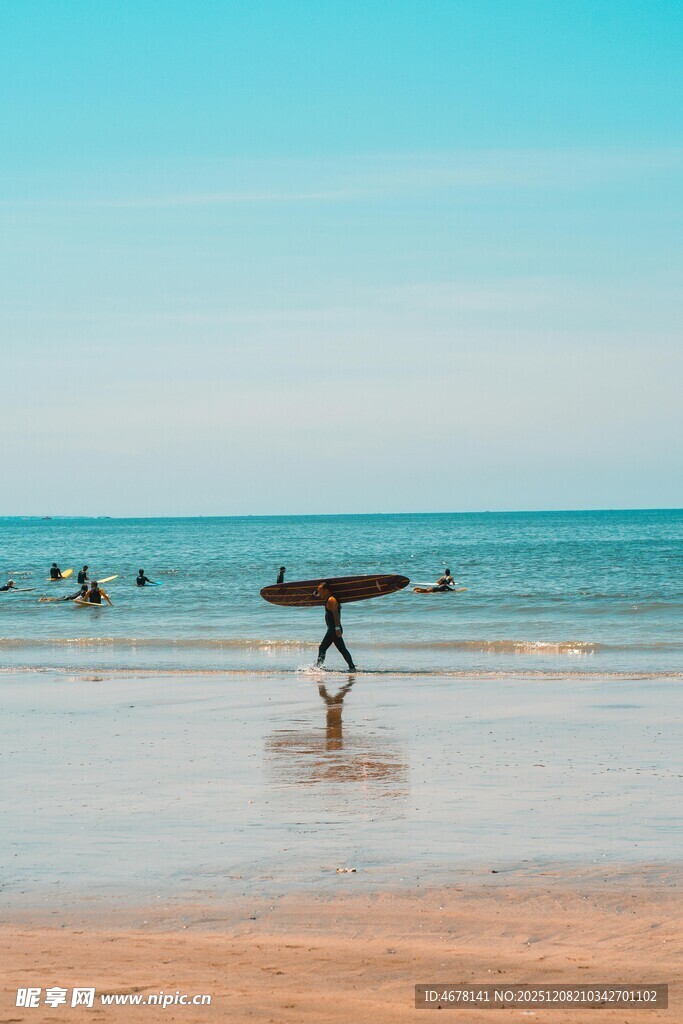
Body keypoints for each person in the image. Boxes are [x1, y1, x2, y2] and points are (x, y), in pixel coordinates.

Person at [315, 581, 356, 671]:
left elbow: (336, 614)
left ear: (326, 590)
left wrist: (337, 628)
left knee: (322, 647)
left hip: (334, 628)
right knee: (342, 649)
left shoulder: (331, 600)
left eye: (320, 591)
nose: (319, 593)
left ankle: (319, 668)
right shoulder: (329, 598)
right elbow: (318, 596)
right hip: (332, 628)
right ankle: (352, 667)